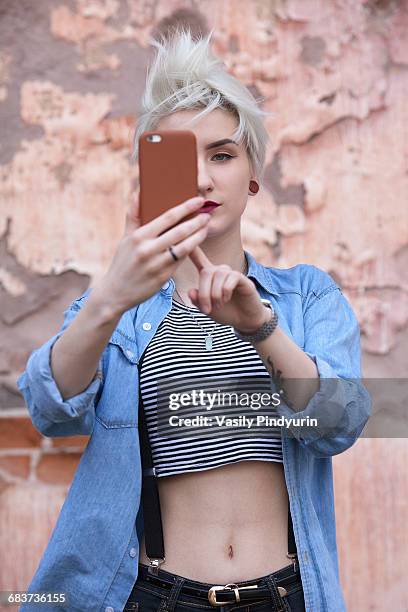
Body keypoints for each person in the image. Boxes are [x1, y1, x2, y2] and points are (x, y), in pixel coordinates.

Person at [17, 26, 371, 612]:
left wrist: (261, 328)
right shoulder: (124, 307)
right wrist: (110, 296)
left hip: (283, 596)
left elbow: (341, 425)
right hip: (150, 595)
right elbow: (51, 412)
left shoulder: (308, 297)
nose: (204, 178)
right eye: (185, 158)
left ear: (253, 176)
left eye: (224, 155)